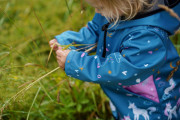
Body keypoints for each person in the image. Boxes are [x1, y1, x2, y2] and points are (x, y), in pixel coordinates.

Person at [49, 0, 180, 119]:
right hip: (123, 96)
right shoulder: (116, 9)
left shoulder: (148, 35)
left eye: (99, 7)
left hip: (151, 106)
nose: (97, 11)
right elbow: (96, 30)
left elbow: (120, 69)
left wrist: (76, 63)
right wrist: (67, 42)